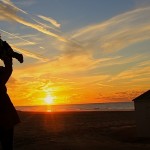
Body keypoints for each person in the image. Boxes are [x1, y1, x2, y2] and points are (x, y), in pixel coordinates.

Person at [0, 40, 23, 149]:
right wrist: (8, 57)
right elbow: (9, 69)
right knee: (7, 145)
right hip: (5, 113)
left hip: (6, 114)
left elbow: (8, 69)